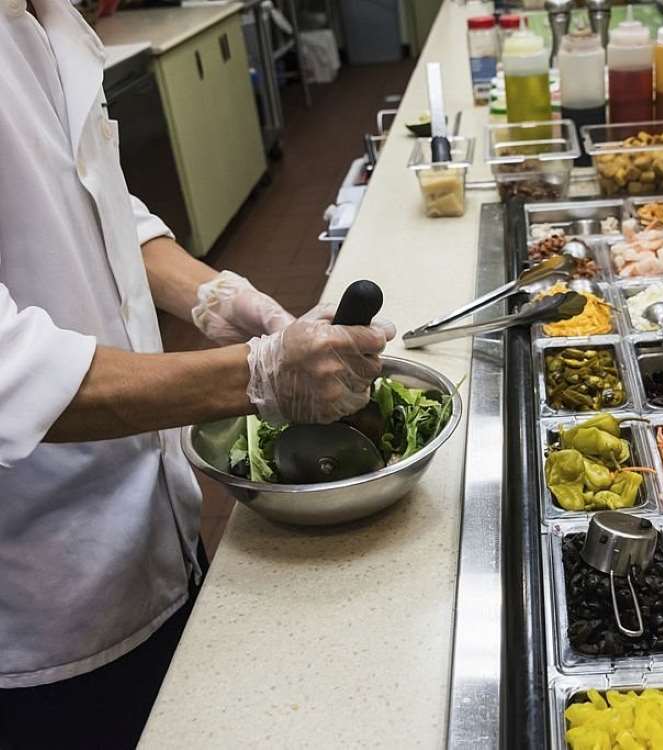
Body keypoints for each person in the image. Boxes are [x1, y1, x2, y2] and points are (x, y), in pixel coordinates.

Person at [0, 0, 394, 746]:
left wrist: (214, 294)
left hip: (156, 525)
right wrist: (256, 377)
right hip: (42, 597)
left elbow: (102, 202)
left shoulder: (46, 18)